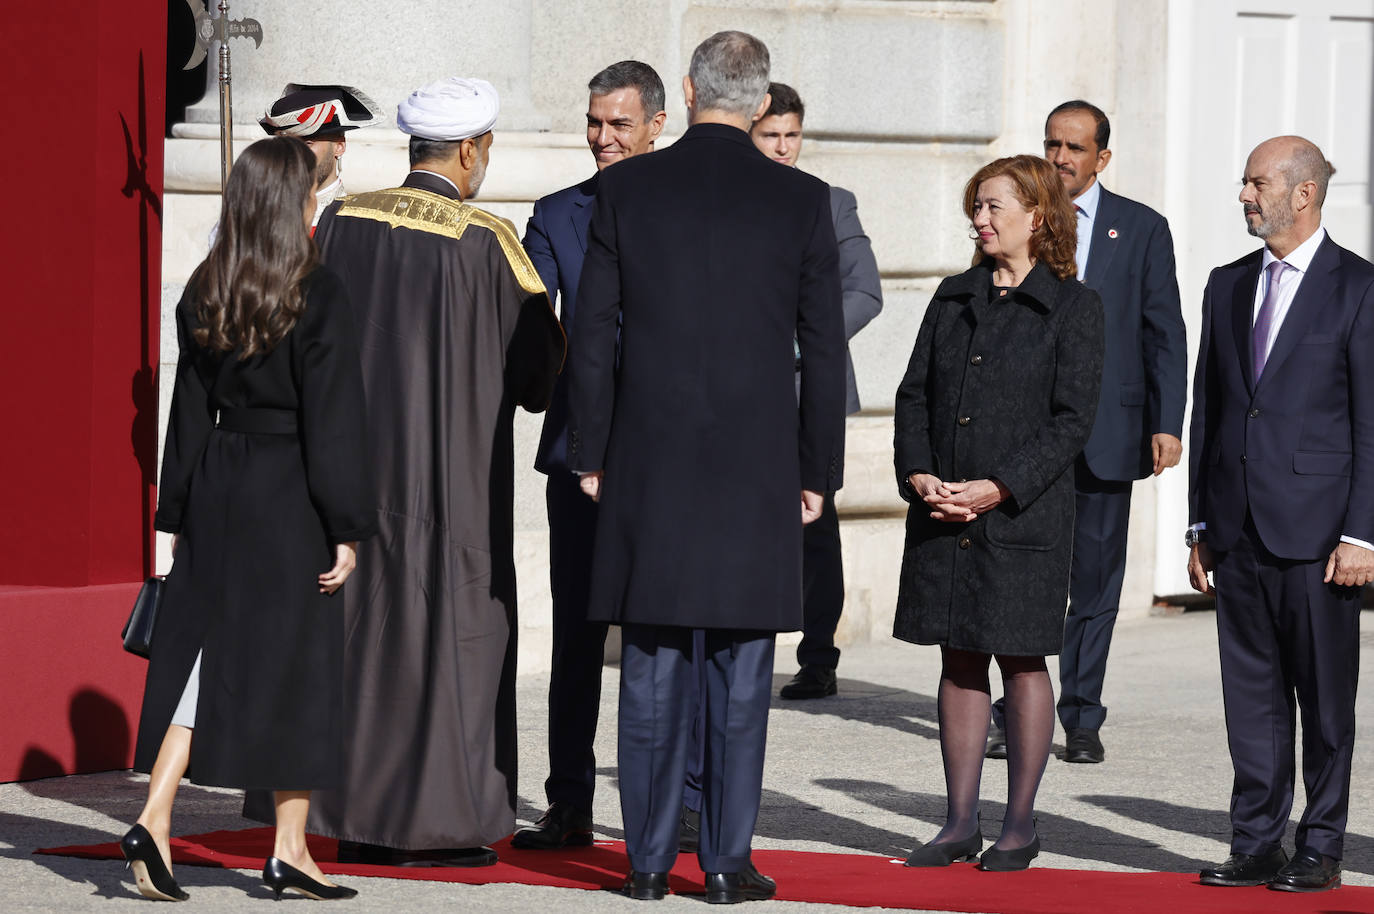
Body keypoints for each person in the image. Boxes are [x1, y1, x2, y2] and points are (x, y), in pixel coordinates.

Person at [566, 30, 845, 903]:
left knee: (650, 662)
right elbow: (824, 350)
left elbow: (592, 335)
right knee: (741, 669)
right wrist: (818, 470)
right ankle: (725, 863)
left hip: (647, 457)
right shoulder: (804, 200)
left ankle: (646, 864)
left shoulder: (626, 188)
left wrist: (591, 451)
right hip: (757, 462)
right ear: (761, 104)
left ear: (687, 92)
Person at [302, 77, 565, 867]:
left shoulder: (342, 223)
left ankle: (352, 819)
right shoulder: (488, 242)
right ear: (471, 150)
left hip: (348, 478)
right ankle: (439, 827)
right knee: (453, 644)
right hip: (451, 491)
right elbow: (539, 379)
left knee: (359, 646)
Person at [123, 135, 376, 902]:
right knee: (296, 668)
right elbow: (333, 422)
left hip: (219, 483)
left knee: (209, 656)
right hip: (289, 492)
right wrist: (347, 523)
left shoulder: (206, 286)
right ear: (290, 201)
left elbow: (187, 412)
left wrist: (172, 510)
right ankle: (250, 839)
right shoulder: (317, 291)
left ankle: (230, 832)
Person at [894, 154, 1102, 872]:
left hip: (1021, 520)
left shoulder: (1075, 308)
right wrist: (919, 473)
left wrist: (999, 486)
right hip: (944, 514)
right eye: (974, 208)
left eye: (992, 207)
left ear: (1035, 217)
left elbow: (1073, 422)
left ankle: (1019, 825)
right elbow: (913, 394)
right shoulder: (954, 298)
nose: (978, 220)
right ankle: (957, 822)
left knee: (1019, 658)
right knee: (958, 658)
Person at [1188, 135, 1373, 894]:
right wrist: (1199, 523)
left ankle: (1320, 845)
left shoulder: (1358, 286)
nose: (1243, 195)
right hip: (1236, 532)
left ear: (1303, 193)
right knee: (1253, 700)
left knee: (1325, 701)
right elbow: (1211, 409)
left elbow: (1372, 420)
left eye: (1256, 183)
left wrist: (1364, 531)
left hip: (1322, 534)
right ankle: (1256, 839)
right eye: (1244, 183)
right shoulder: (1227, 284)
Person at [987, 100, 1187, 764]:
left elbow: (1165, 333)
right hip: (1029, 436)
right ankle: (1011, 709)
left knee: (1095, 583)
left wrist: (1166, 422)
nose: (1061, 158)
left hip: (1109, 433)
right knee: (1022, 579)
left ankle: (1080, 714)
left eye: (1075, 148)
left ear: (1103, 157)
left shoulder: (1141, 229)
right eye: (1052, 144)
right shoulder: (1020, 223)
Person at [514, 60, 667, 852]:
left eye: (619, 124)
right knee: (576, 634)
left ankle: (669, 807)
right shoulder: (557, 215)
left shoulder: (687, 210)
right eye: (594, 122)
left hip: (667, 458)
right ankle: (568, 799)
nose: (603, 138)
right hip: (578, 454)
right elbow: (535, 326)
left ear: (656, 127)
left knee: (661, 633)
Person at [750, 81, 884, 701]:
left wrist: (799, 345)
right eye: (770, 135)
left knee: (815, 523)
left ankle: (819, 656)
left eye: (791, 135)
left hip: (810, 391)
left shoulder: (831, 203)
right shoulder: (729, 200)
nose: (782, 148)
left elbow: (864, 293)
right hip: (738, 392)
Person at [259, 83, 379, 227]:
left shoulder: (361, 223)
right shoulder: (262, 218)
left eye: (308, 143)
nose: (296, 154)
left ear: (339, 146)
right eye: (288, 144)